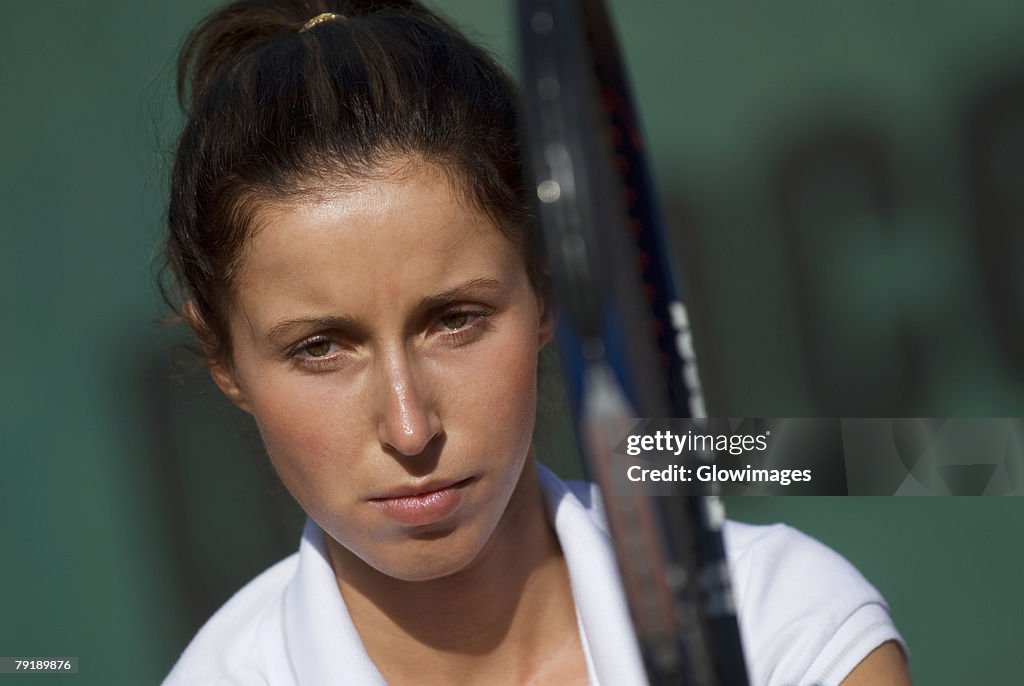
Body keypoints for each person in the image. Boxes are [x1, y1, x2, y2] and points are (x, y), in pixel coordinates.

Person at [161, 1, 912, 684]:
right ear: (223, 356)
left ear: (546, 288)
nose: (410, 427)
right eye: (321, 347)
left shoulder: (788, 624)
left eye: (455, 318)